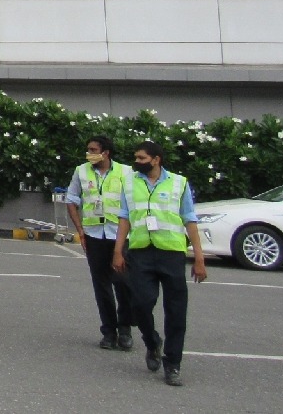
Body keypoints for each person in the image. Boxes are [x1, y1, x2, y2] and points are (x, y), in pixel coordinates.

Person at [112, 140, 207, 387]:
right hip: (141, 252)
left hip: (172, 253)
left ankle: (172, 364)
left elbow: (190, 220)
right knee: (140, 304)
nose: (137, 162)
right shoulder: (130, 182)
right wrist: (118, 251)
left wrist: (199, 258)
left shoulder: (178, 182)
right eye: (136, 158)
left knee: (176, 312)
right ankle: (152, 342)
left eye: (142, 158)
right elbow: (124, 218)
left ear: (156, 159)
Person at [66, 135, 135, 350]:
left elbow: (133, 204)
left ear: (106, 153)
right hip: (94, 235)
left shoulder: (126, 172)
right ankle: (109, 331)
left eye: (93, 149)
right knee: (101, 285)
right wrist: (80, 230)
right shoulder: (82, 171)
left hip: (119, 236)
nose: (89, 153)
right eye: (88, 149)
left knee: (123, 283)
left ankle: (125, 329)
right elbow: (71, 200)